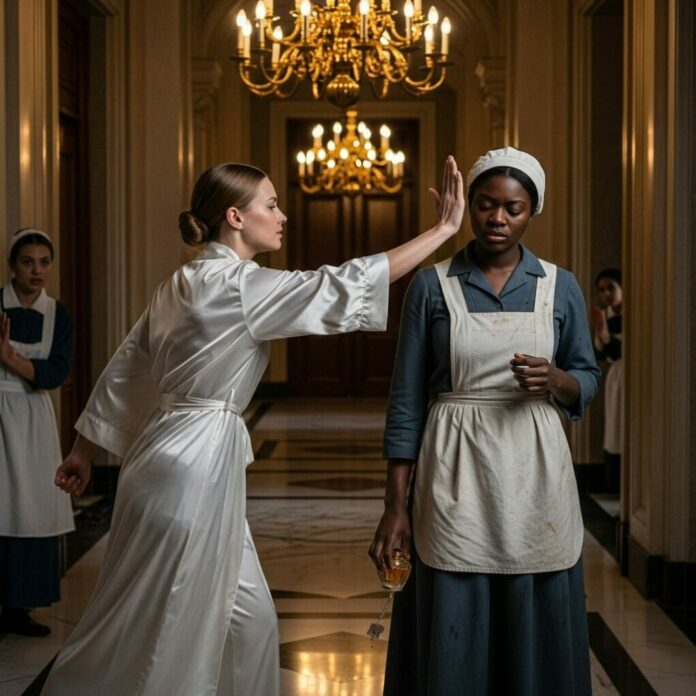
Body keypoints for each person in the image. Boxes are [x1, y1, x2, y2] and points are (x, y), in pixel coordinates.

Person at [40, 158, 465, 695]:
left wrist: (84, 449)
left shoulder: (179, 282)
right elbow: (343, 284)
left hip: (165, 458)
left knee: (249, 622)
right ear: (235, 217)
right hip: (192, 466)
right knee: (170, 617)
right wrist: (442, 231)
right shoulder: (240, 285)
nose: (282, 216)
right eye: (272, 204)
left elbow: (128, 368)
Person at [369, 147, 601, 696]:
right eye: (485, 205)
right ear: (469, 206)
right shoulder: (432, 286)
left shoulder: (559, 286)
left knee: (535, 584)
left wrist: (556, 379)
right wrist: (395, 506)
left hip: (534, 468)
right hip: (455, 467)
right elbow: (406, 402)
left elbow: (586, 378)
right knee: (455, 590)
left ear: (531, 211)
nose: (498, 218)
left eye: (513, 208)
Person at [0, 229, 74, 637]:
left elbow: (54, 373)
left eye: (44, 262)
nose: (37, 270)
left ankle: (19, 607)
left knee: (30, 506)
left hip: (33, 419)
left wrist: (9, 358)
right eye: (28, 262)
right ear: (12, 265)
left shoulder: (57, 314)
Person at [591, 268, 622, 493]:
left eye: (611, 288)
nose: (606, 294)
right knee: (615, 427)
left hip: (632, 374)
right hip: (617, 375)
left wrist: (607, 338)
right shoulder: (605, 317)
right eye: (602, 290)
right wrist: (602, 334)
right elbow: (601, 353)